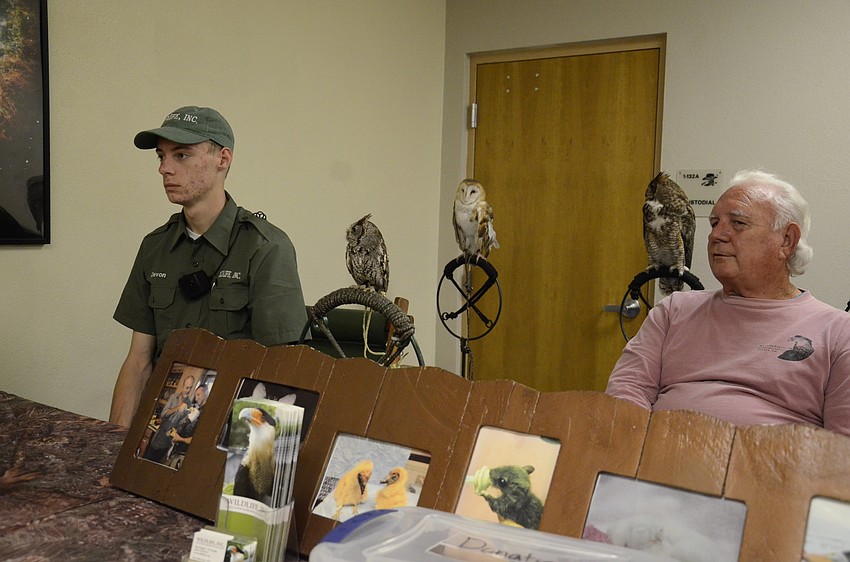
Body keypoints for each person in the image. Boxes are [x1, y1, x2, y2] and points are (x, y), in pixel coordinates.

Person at [606, 170, 850, 436]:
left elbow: (842, 445)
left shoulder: (838, 332)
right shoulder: (673, 311)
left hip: (774, 460)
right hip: (662, 455)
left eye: (738, 223)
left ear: (786, 240)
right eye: (714, 223)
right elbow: (627, 392)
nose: (716, 235)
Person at [110, 106, 307, 428]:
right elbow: (138, 362)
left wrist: (255, 459)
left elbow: (281, 373)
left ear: (223, 159)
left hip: (231, 426)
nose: (164, 168)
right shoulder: (155, 247)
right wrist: (115, 441)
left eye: (181, 155)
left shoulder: (265, 247)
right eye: (161, 156)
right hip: (164, 424)